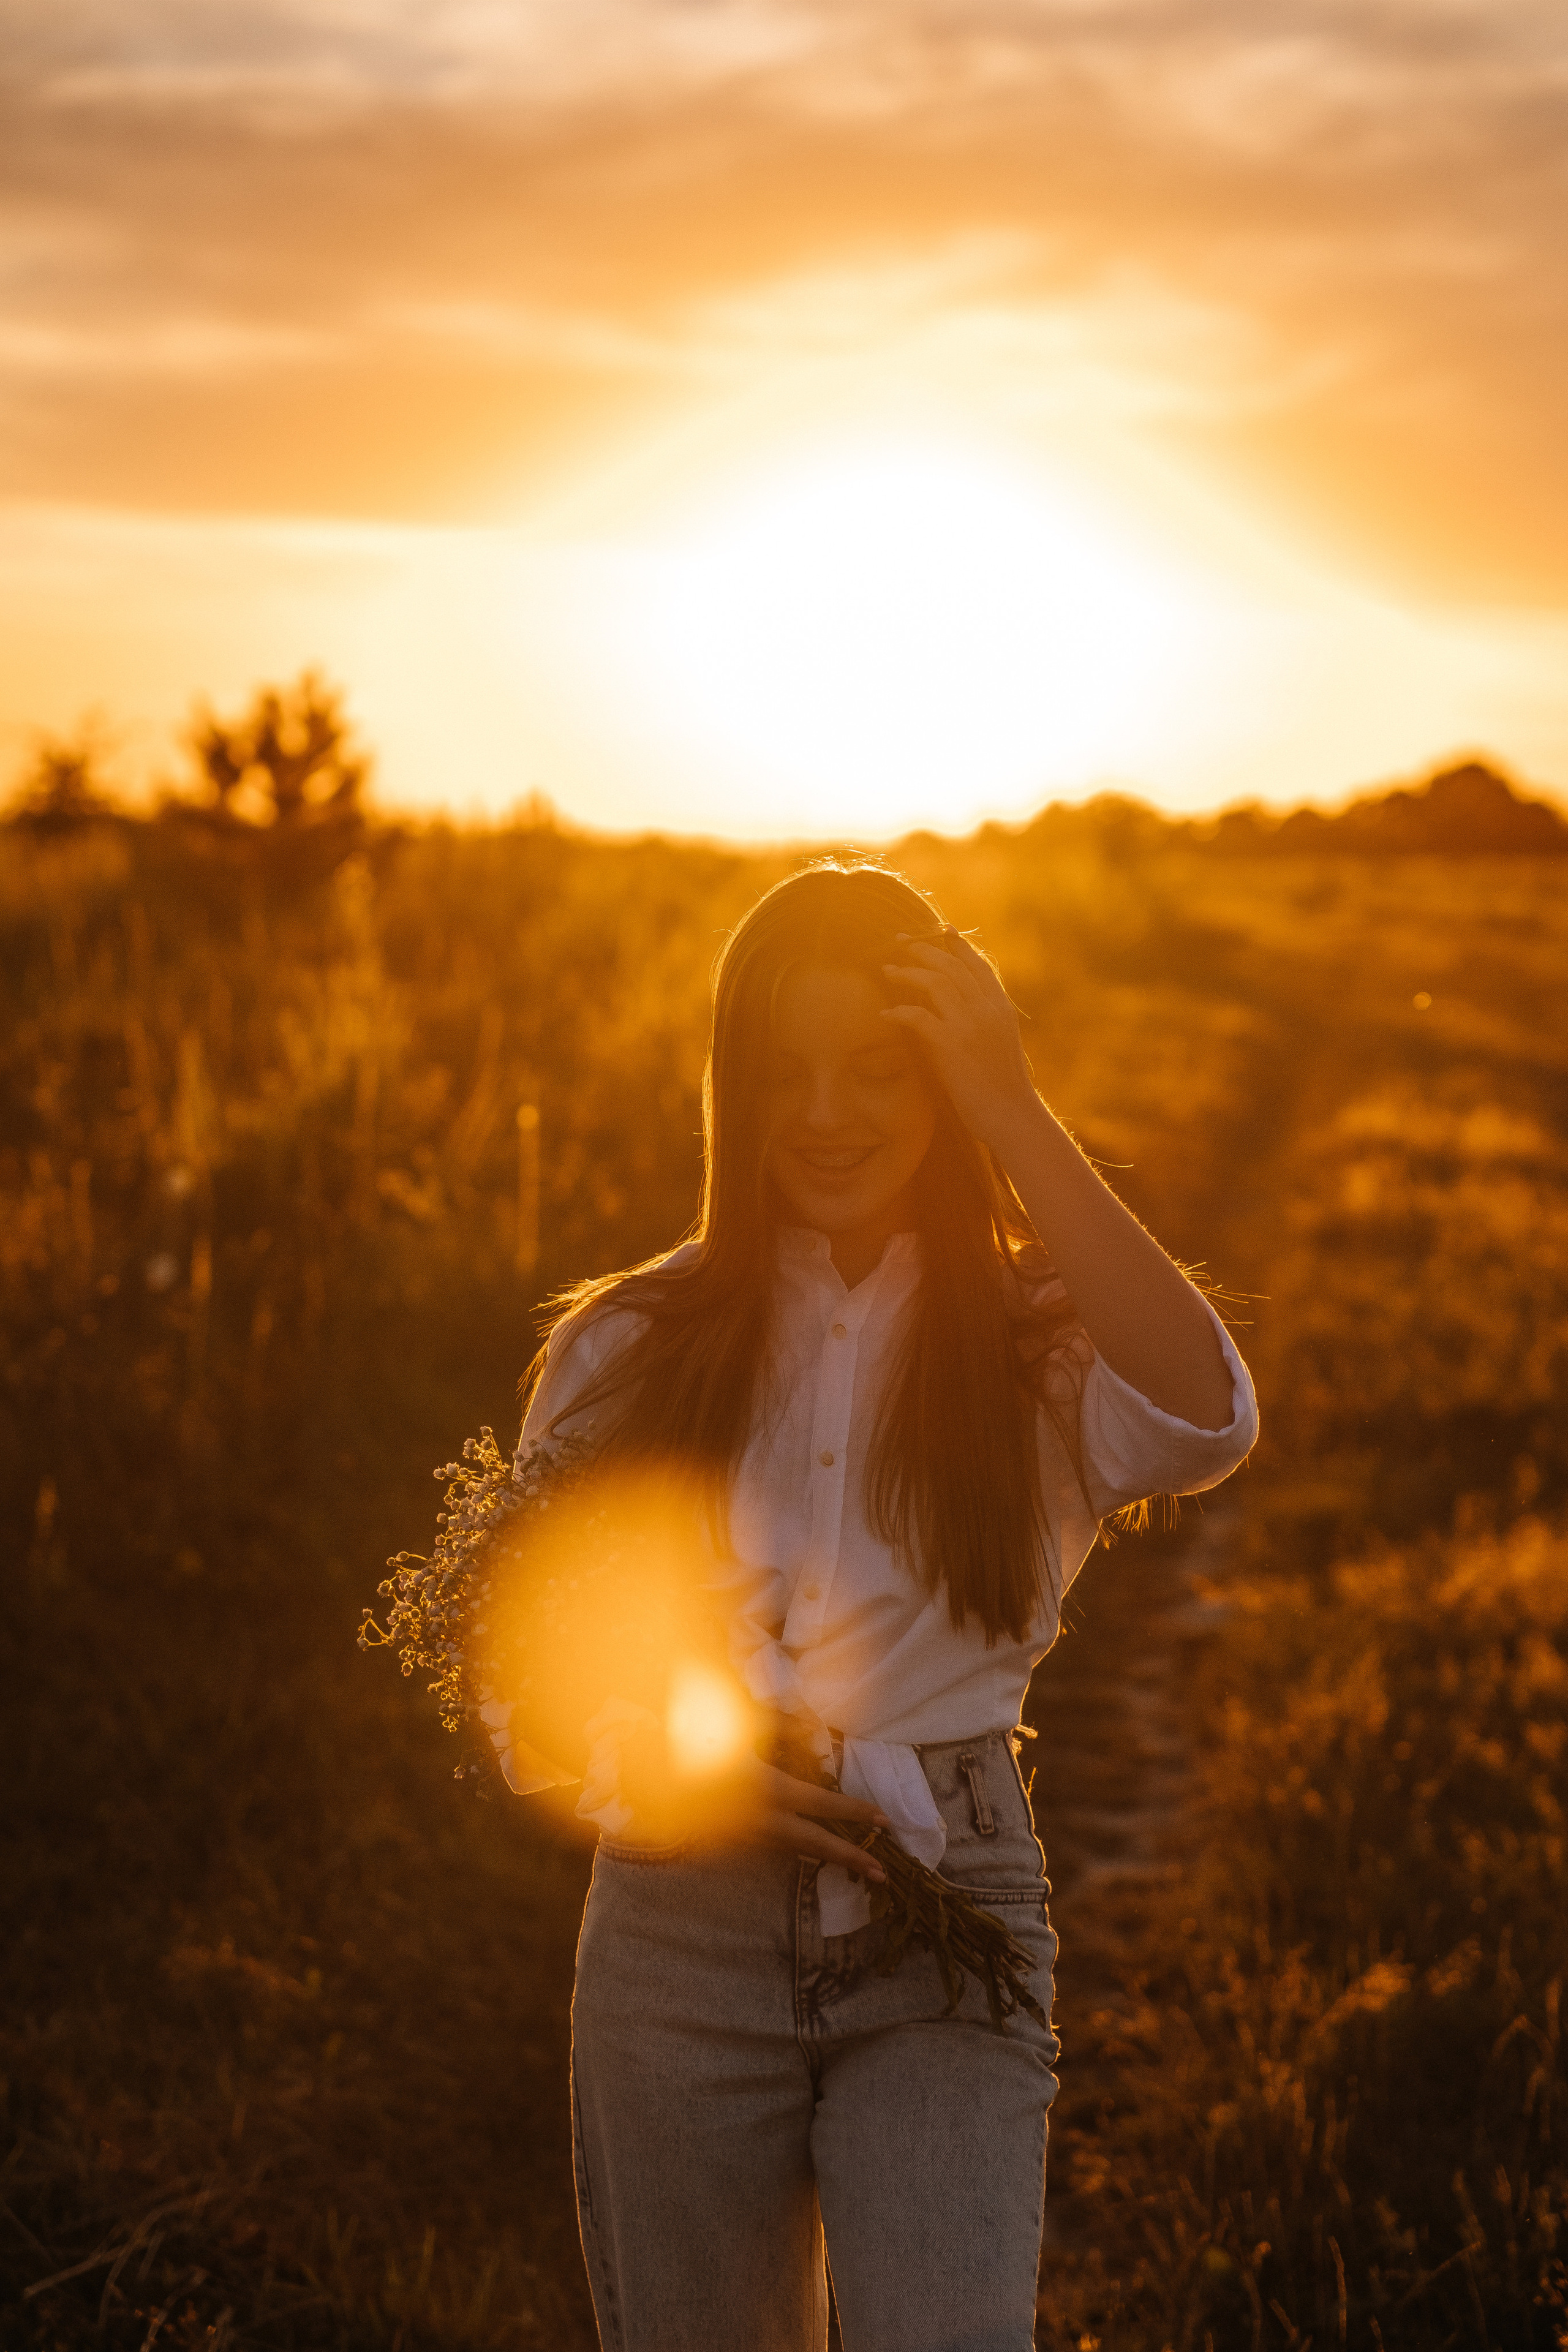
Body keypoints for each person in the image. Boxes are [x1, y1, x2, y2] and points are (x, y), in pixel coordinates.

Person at [512, 861, 1258, 2352]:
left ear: (944, 1078)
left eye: (878, 1066)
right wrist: (661, 1763)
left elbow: (1204, 1418)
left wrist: (1014, 1112)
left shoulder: (1032, 1334)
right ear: (731, 1087)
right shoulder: (630, 1343)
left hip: (948, 1905)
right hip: (676, 1936)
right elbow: (522, 1665)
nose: (829, 1113)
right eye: (786, 1073)